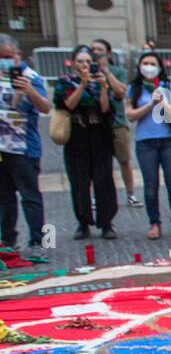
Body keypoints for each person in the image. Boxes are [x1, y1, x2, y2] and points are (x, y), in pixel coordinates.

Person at [56, 48, 117, 240]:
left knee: (104, 180)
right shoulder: (65, 82)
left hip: (99, 135)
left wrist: (104, 88)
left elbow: (106, 108)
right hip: (77, 137)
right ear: (73, 63)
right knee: (79, 182)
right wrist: (82, 84)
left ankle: (106, 223)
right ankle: (83, 222)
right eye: (81, 61)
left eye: (88, 61)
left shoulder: (99, 81)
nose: (85, 64)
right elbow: (70, 105)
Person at [127, 51, 171, 240]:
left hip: (168, 140)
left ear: (160, 67)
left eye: (153, 63)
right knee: (151, 186)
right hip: (145, 142)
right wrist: (150, 104)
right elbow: (130, 115)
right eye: (145, 63)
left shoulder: (168, 87)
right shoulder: (134, 88)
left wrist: (163, 103)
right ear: (140, 66)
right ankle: (154, 223)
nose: (149, 67)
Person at [0, 35, 50, 253]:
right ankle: (8, 239)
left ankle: (38, 239)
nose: (5, 62)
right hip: (2, 149)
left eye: (9, 57)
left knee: (30, 195)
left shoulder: (31, 77)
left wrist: (29, 91)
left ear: (17, 54)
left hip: (25, 148)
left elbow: (46, 107)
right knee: (4, 197)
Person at [89, 39, 139, 208]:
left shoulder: (117, 71)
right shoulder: (86, 72)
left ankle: (130, 194)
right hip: (95, 123)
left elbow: (121, 92)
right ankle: (98, 195)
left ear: (108, 53)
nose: (95, 52)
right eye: (92, 49)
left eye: (99, 50)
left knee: (124, 160)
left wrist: (106, 72)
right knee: (99, 163)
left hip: (117, 121)